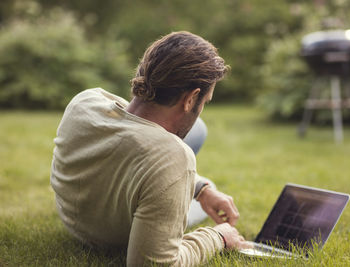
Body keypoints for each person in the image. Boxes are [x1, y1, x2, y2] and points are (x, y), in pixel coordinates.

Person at [50, 31, 250, 267]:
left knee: (198, 135)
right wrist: (218, 237)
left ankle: (196, 187)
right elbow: (154, 264)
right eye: (204, 102)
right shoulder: (173, 157)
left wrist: (200, 188)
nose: (201, 109)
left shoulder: (85, 101)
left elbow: (129, 132)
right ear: (190, 98)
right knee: (192, 158)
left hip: (74, 219)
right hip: (111, 238)